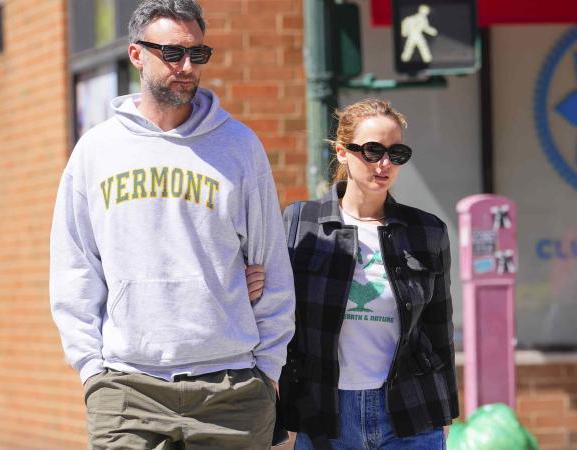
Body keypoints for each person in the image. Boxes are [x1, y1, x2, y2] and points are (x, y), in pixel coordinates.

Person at [49, 1, 295, 448]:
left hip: (232, 389)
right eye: (172, 53)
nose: (186, 66)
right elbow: (75, 265)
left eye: (197, 54)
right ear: (136, 54)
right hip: (126, 387)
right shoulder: (96, 150)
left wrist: (268, 369)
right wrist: (90, 369)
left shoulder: (238, 146)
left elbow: (271, 263)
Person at [277, 99, 459, 449]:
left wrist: (445, 413)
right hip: (325, 415)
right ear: (343, 152)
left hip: (410, 412)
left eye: (397, 153)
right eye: (373, 151)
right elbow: (279, 320)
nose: (384, 164)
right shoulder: (302, 223)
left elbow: (439, 330)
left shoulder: (426, 231)